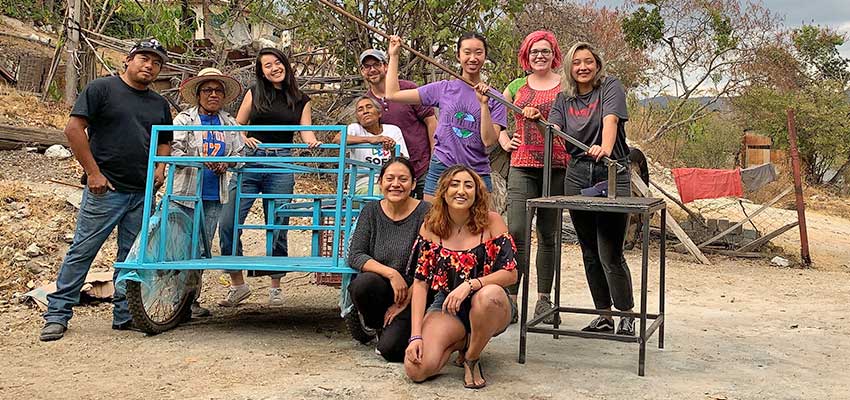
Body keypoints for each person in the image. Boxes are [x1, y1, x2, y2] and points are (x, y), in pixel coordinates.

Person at [40, 39, 174, 341]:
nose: (149, 65)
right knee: (83, 250)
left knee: (131, 255)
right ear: (128, 60)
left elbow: (165, 139)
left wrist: (160, 169)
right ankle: (58, 314)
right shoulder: (102, 89)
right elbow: (73, 129)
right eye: (143, 58)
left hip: (142, 192)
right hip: (106, 189)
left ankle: (124, 315)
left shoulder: (158, 103)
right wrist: (93, 173)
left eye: (155, 62)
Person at [218, 48, 322, 307]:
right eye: (267, 65)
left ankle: (275, 286)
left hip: (281, 161)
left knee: (278, 222)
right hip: (251, 159)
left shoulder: (300, 99)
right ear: (261, 72)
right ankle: (238, 285)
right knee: (229, 220)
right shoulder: (255, 92)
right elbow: (237, 127)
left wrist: (313, 143)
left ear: (285, 64)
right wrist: (244, 138)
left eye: (277, 62)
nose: (274, 68)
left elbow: (306, 131)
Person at [545, 41, 636, 336]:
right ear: (569, 68)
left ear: (596, 64)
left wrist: (605, 149)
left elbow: (610, 120)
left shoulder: (610, 86)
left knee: (609, 251)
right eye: (577, 62)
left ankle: (626, 314)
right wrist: (540, 121)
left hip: (611, 171)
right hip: (578, 173)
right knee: (588, 251)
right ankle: (604, 315)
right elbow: (555, 128)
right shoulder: (563, 98)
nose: (583, 67)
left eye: (588, 61)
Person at [404, 165, 518, 389]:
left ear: (477, 192)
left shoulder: (492, 221)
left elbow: (511, 273)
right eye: (454, 184)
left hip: (491, 304)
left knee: (488, 296)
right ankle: (464, 339)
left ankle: (472, 357)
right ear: (444, 192)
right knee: (416, 369)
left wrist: (471, 284)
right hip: (448, 306)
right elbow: (420, 283)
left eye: (468, 185)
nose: (461, 190)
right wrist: (415, 336)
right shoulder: (431, 226)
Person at [385, 33, 507, 201]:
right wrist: (394, 55)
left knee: (481, 225)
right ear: (458, 56)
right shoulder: (443, 89)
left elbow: (489, 141)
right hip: (442, 166)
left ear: (485, 56)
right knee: (431, 223)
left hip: (477, 170)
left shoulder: (496, 98)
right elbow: (392, 94)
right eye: (467, 52)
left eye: (478, 52)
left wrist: (484, 104)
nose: (472, 58)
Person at [500, 30, 569, 324]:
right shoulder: (516, 85)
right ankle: (512, 300)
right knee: (516, 231)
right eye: (533, 51)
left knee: (548, 233)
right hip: (522, 164)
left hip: (556, 166)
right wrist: (503, 138)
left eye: (544, 50)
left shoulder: (565, 86)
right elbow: (493, 114)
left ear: (554, 54)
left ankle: (543, 299)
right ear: (525, 56)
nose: (539, 55)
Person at [171, 67, 245, 318]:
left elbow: (240, 155)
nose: (213, 95)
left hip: (214, 195)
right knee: (179, 247)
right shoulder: (184, 120)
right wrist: (200, 160)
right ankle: (173, 300)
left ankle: (190, 301)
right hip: (185, 193)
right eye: (208, 90)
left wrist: (227, 162)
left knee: (200, 249)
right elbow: (174, 150)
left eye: (218, 91)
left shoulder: (230, 123)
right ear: (198, 94)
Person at [347, 157, 430, 362]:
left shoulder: (427, 212)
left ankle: (399, 329)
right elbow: (356, 255)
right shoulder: (371, 211)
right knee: (363, 283)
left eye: (403, 179)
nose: (396, 184)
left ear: (412, 184)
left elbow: (431, 263)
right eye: (389, 178)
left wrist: (406, 299)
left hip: (416, 290)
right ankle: (376, 325)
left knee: (391, 352)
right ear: (380, 182)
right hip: (382, 285)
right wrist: (392, 274)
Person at [359, 49, 437, 199]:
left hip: (422, 165)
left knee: (429, 214)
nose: (372, 69)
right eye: (367, 66)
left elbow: (431, 121)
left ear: (386, 66)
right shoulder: (366, 103)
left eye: (376, 64)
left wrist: (435, 156)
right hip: (393, 172)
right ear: (362, 71)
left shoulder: (407, 89)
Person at [332, 96, 409, 194]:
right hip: (363, 185)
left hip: (391, 183)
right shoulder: (355, 129)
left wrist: (392, 149)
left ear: (379, 113)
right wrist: (370, 139)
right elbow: (337, 139)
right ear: (357, 117)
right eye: (360, 109)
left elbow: (402, 162)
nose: (365, 111)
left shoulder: (393, 130)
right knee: (381, 194)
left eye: (369, 107)